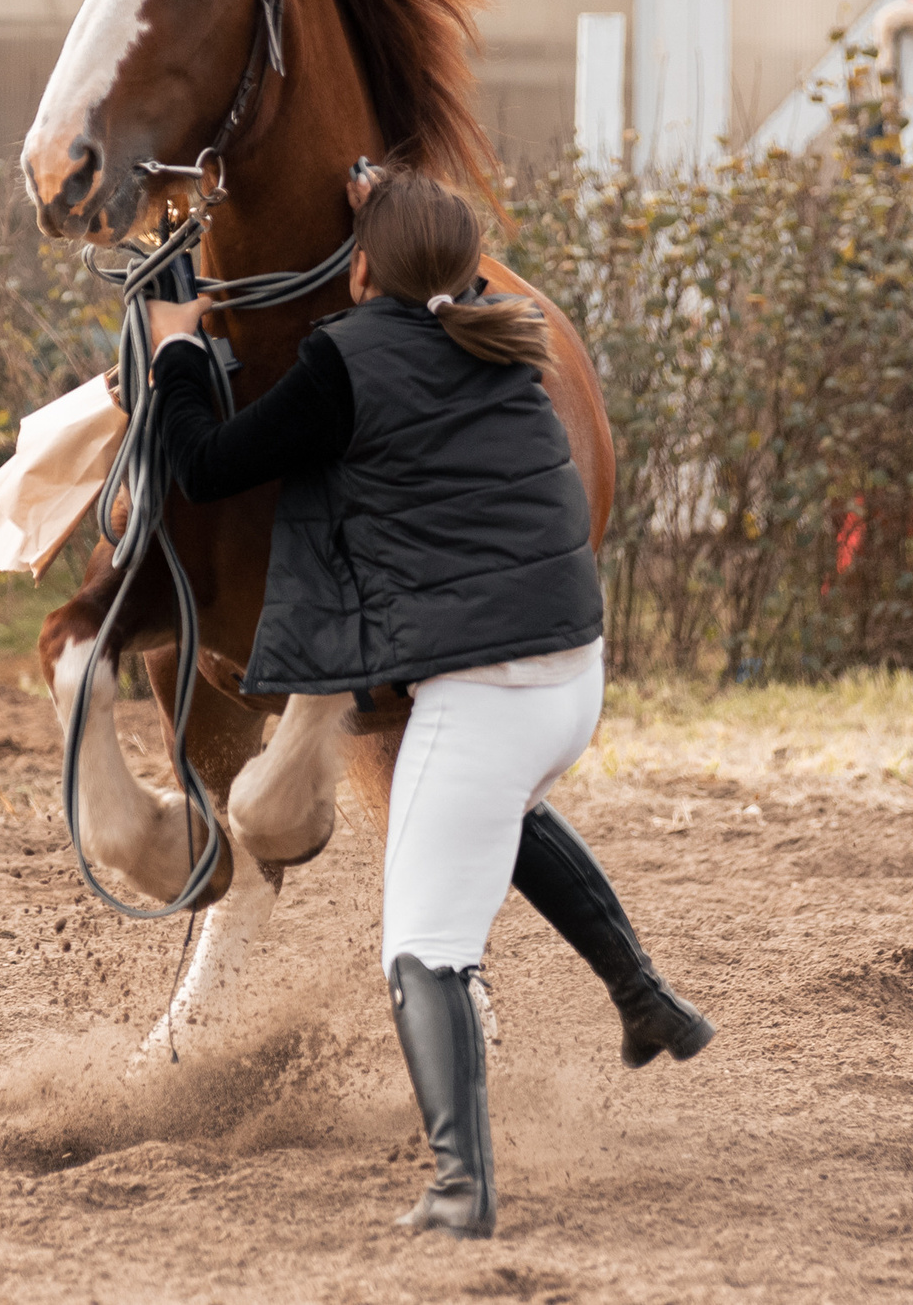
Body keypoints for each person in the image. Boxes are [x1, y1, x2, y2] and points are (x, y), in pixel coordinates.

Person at [144, 169, 715, 1241]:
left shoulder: (344, 358)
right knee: (497, 807)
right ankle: (645, 999)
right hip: (570, 676)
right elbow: (425, 282)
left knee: (423, 944)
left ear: (357, 269)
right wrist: (397, 212)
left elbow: (206, 464)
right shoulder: (508, 332)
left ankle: (461, 1184)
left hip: (489, 688)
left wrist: (178, 340)